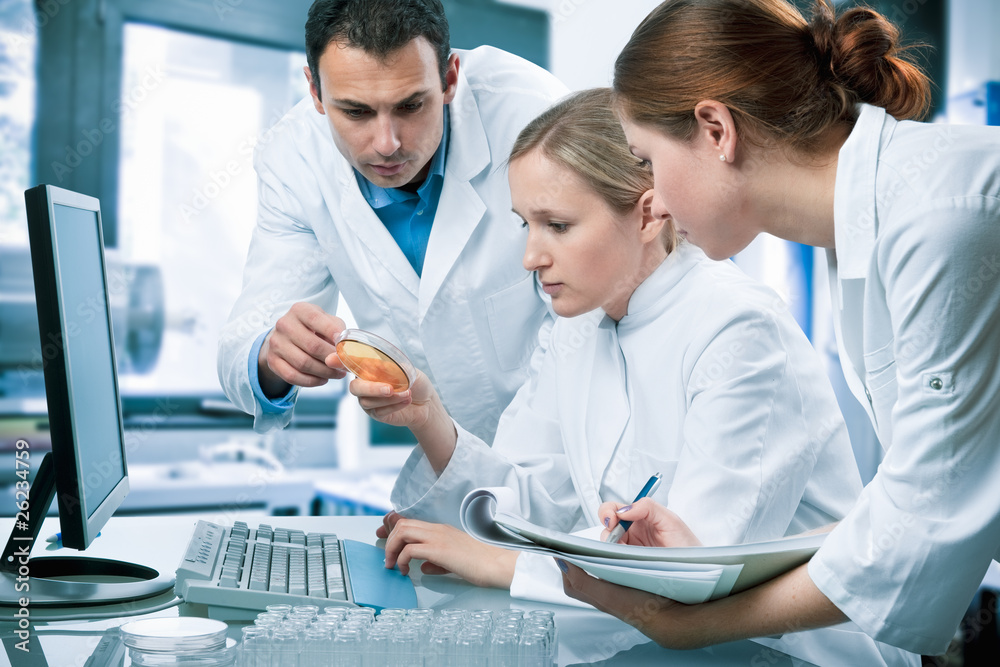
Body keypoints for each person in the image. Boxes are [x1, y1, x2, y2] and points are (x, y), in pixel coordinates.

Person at [350, 88, 915, 664]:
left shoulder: (737, 328)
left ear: (647, 213)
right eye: (526, 224)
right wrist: (429, 420)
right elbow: (535, 507)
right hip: (659, 642)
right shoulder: (576, 326)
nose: (531, 256)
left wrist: (505, 565)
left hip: (788, 651)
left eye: (558, 225)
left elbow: (698, 568)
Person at [559, 0, 1000, 658]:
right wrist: (719, 565)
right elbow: (911, 500)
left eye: (646, 159)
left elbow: (923, 515)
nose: (651, 197)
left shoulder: (939, 213)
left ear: (715, 129)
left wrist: (697, 621)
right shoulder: (862, 234)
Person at [217, 0, 568, 442]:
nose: (387, 144)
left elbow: (596, 318)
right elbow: (244, 344)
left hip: (572, 450)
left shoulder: (537, 120)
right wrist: (273, 356)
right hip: (448, 459)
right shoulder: (293, 159)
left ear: (450, 78)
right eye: (356, 112)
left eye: (410, 106)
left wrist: (518, 481)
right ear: (314, 92)